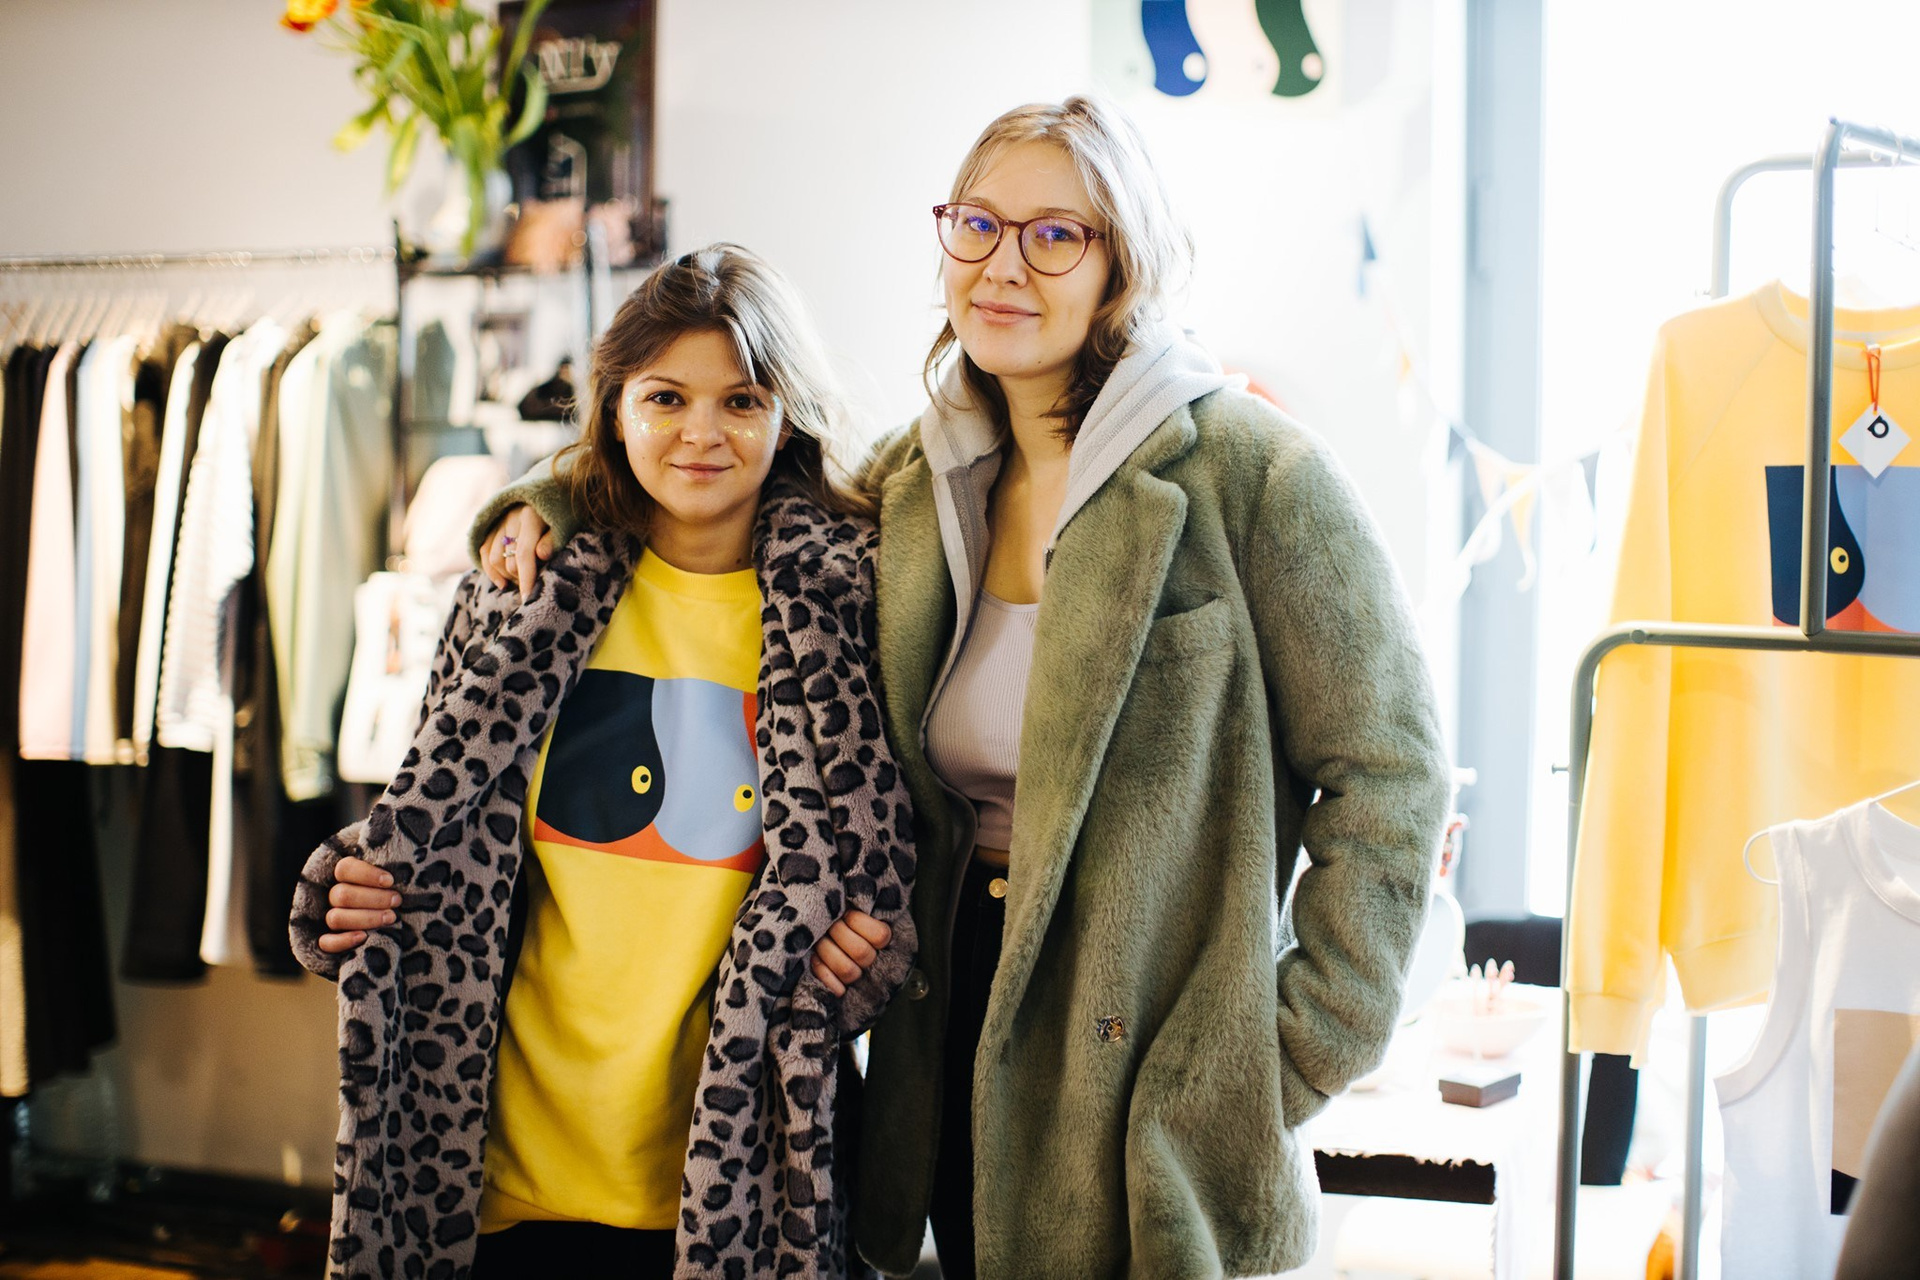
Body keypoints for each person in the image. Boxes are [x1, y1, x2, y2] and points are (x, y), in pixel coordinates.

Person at [479, 96, 1450, 1278]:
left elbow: (1391, 773)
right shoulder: (915, 478)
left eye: (1056, 235)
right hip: (947, 1028)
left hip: (1156, 1042)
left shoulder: (1253, 471)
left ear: (1124, 265)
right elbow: (716, 466)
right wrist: (544, 498)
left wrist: (1284, 1054)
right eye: (978, 224)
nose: (1003, 264)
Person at [287, 244, 917, 1279]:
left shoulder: (852, 614)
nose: (701, 432)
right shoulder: (518, 594)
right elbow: (426, 834)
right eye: (666, 397)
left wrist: (869, 946)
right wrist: (353, 895)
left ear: (788, 417)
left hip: (734, 1181)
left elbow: (891, 848)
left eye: (742, 400)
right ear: (615, 407)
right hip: (497, 1170)